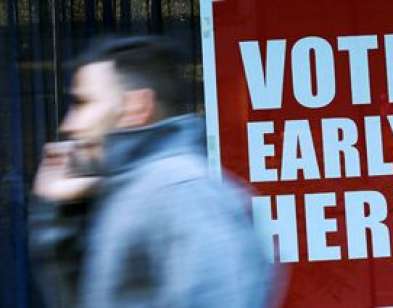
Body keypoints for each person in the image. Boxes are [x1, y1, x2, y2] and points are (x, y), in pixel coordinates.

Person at [29, 36, 274, 308]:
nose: (69, 125)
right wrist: (64, 217)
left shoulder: (182, 189)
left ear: (137, 107)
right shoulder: (131, 191)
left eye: (84, 103)